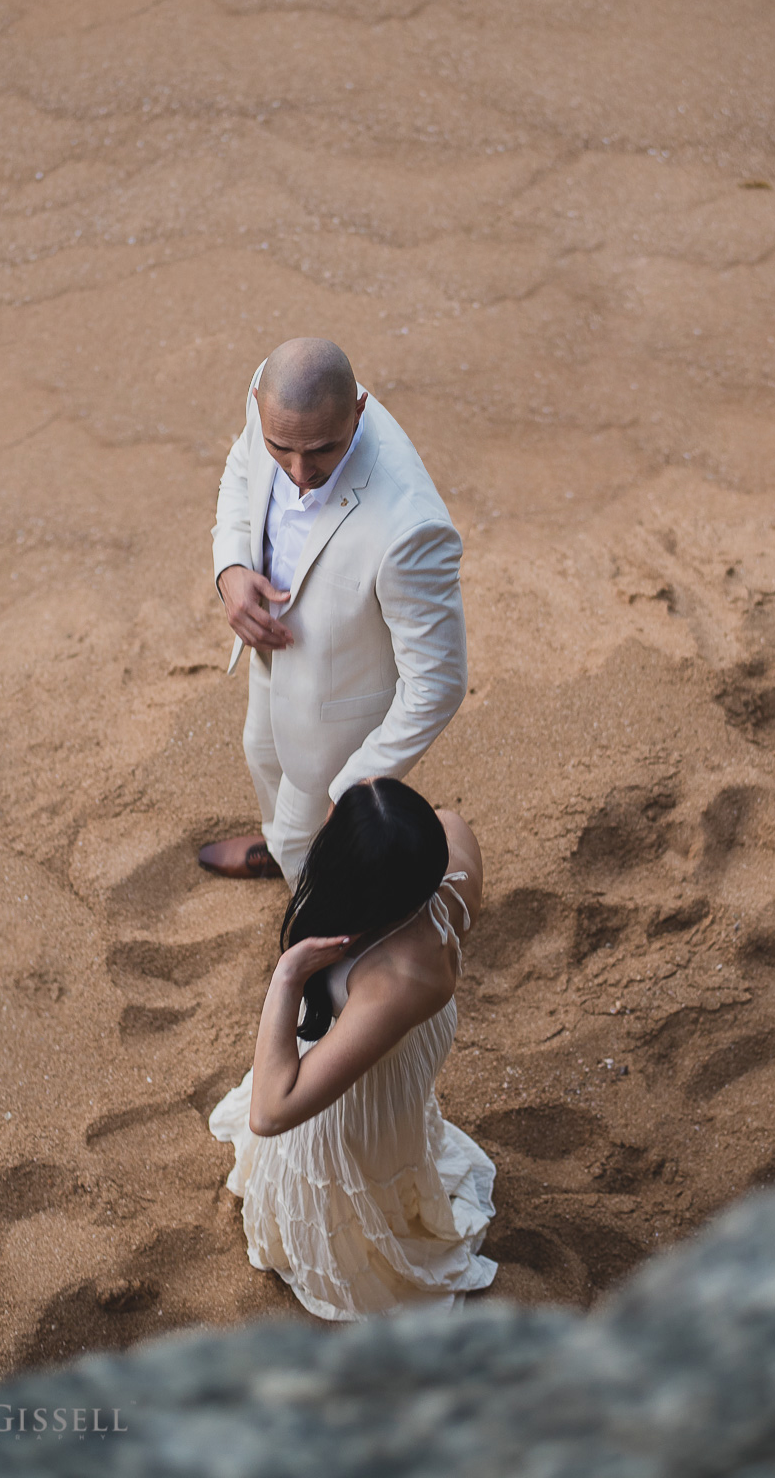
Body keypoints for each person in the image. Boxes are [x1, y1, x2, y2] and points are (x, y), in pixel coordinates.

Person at [208, 778, 496, 1320]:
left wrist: (287, 974)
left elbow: (271, 1112)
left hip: (375, 1058)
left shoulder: (393, 976)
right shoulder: (452, 841)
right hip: (406, 1038)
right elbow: (431, 820)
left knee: (338, 1165)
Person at [199, 338, 466, 885]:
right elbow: (241, 467)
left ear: (359, 410)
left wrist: (354, 789)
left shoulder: (412, 529)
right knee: (261, 753)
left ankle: (303, 895)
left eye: (322, 450)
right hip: (270, 653)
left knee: (310, 843)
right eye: (282, 449)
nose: (299, 473)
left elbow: (438, 683)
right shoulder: (272, 402)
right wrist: (229, 570)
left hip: (338, 708)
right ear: (258, 399)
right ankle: (277, 845)